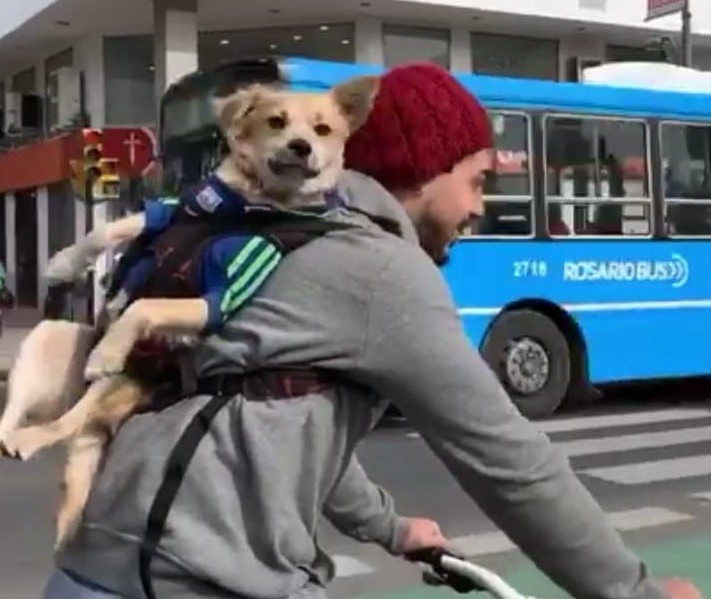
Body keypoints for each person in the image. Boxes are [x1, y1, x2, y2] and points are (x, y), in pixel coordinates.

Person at [46, 63, 702, 599]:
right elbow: (510, 463)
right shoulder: (380, 268)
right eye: (476, 181)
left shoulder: (275, 234)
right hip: (192, 576)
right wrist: (635, 592)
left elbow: (270, 412)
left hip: (91, 565)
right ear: (426, 169)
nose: (477, 208)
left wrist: (388, 525)